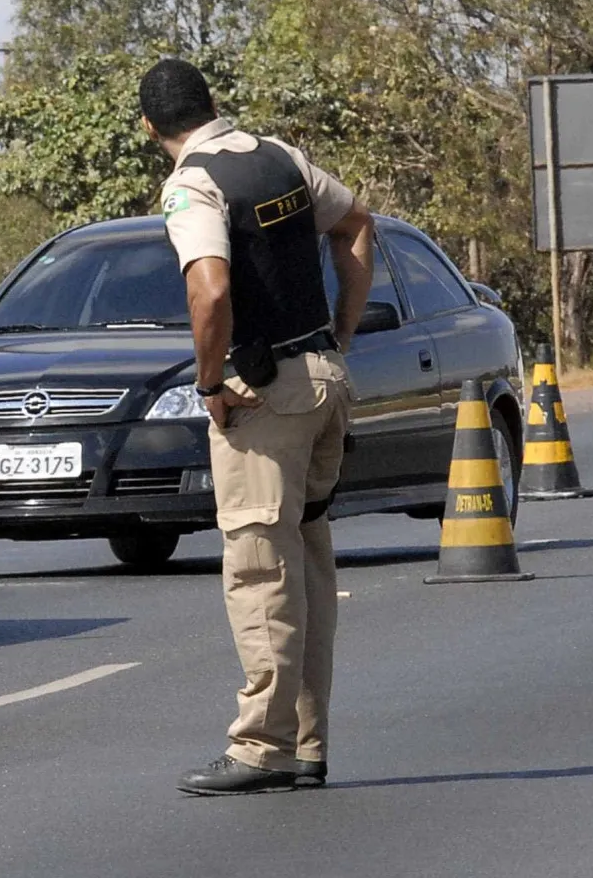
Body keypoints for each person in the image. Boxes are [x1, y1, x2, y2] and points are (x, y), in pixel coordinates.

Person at [143, 58, 375, 796]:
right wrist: (340, 331)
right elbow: (358, 226)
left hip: (263, 397)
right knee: (305, 559)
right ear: (212, 105)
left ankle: (262, 747)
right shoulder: (281, 157)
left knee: (258, 569)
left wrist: (210, 383)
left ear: (151, 128)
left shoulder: (193, 184)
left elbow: (209, 290)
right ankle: (307, 742)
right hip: (323, 380)